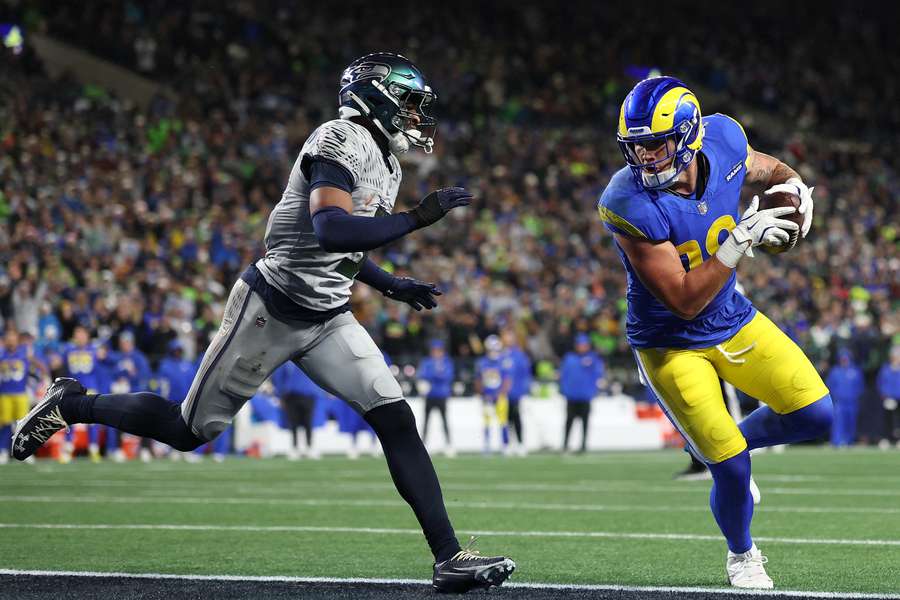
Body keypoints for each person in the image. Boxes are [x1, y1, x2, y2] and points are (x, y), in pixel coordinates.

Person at [12, 52, 514, 592]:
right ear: (378, 96)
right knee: (189, 431)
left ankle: (448, 558)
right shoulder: (338, 140)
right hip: (270, 309)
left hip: (328, 316)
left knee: (395, 418)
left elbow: (340, 251)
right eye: (411, 103)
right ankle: (72, 403)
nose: (416, 116)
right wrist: (418, 218)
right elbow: (330, 231)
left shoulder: (387, 163)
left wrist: (392, 284)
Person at [598, 76, 832, 588]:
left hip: (731, 320)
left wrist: (792, 187)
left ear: (688, 136)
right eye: (635, 147)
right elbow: (683, 300)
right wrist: (742, 237)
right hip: (671, 343)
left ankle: (717, 443)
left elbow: (766, 166)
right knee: (729, 468)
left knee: (817, 414)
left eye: (655, 144)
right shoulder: (626, 201)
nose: (645, 159)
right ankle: (742, 554)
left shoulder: (723, 137)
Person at [0, 328, 46, 464]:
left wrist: (43, 378)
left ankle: (25, 451)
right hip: (5, 394)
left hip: (21, 394)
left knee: (23, 426)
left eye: (13, 337)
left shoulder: (25, 352)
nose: (11, 340)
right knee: (5, 424)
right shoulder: (2, 353)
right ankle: (3, 450)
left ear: (17, 339)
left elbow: (40, 366)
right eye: (8, 337)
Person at [559, 333, 605, 454]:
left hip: (585, 396)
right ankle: (565, 445)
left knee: (585, 422)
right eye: (580, 345)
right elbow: (563, 375)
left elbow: (599, 374)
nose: (582, 347)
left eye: (584, 345)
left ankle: (583, 445)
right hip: (572, 396)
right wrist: (564, 390)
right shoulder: (569, 358)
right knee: (569, 421)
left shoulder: (593, 359)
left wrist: (593, 390)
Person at [271, 361, 321, 460]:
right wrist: (280, 395)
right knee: (293, 423)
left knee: (308, 422)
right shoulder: (287, 361)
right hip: (291, 396)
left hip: (308, 394)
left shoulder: (309, 359)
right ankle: (294, 448)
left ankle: (310, 447)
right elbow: (279, 377)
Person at [418, 339, 455, 457]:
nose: (436, 353)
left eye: (438, 350)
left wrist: (434, 375)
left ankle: (449, 444)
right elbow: (422, 375)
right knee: (426, 421)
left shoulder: (446, 362)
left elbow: (448, 376)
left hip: (442, 395)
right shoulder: (427, 362)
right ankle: (423, 444)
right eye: (434, 350)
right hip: (430, 395)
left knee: (444, 420)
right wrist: (437, 374)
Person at [475, 335, 511, 455]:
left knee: (503, 421)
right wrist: (483, 394)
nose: (493, 351)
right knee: (487, 422)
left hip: (500, 397)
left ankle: (505, 445)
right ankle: (487, 444)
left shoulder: (503, 362)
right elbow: (478, 380)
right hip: (487, 397)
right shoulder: (482, 363)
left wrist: (500, 393)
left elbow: (507, 381)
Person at [500, 329, 531, 456]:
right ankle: (506, 444)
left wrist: (523, 390)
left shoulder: (519, 355)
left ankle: (520, 443)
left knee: (516, 418)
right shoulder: (500, 355)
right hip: (502, 394)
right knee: (504, 419)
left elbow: (525, 374)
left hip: (515, 393)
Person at [826, 349, 864, 448]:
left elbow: (860, 386)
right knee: (838, 422)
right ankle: (837, 441)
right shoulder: (835, 371)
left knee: (851, 421)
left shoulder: (855, 371)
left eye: (846, 359)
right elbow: (829, 386)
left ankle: (849, 441)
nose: (844, 361)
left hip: (852, 401)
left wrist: (855, 396)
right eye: (842, 359)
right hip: (839, 401)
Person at [877, 345, 900, 447]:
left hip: (899, 398)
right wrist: (885, 395)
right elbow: (881, 383)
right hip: (889, 398)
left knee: (897, 421)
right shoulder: (885, 369)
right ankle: (886, 439)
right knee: (887, 420)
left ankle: (898, 440)